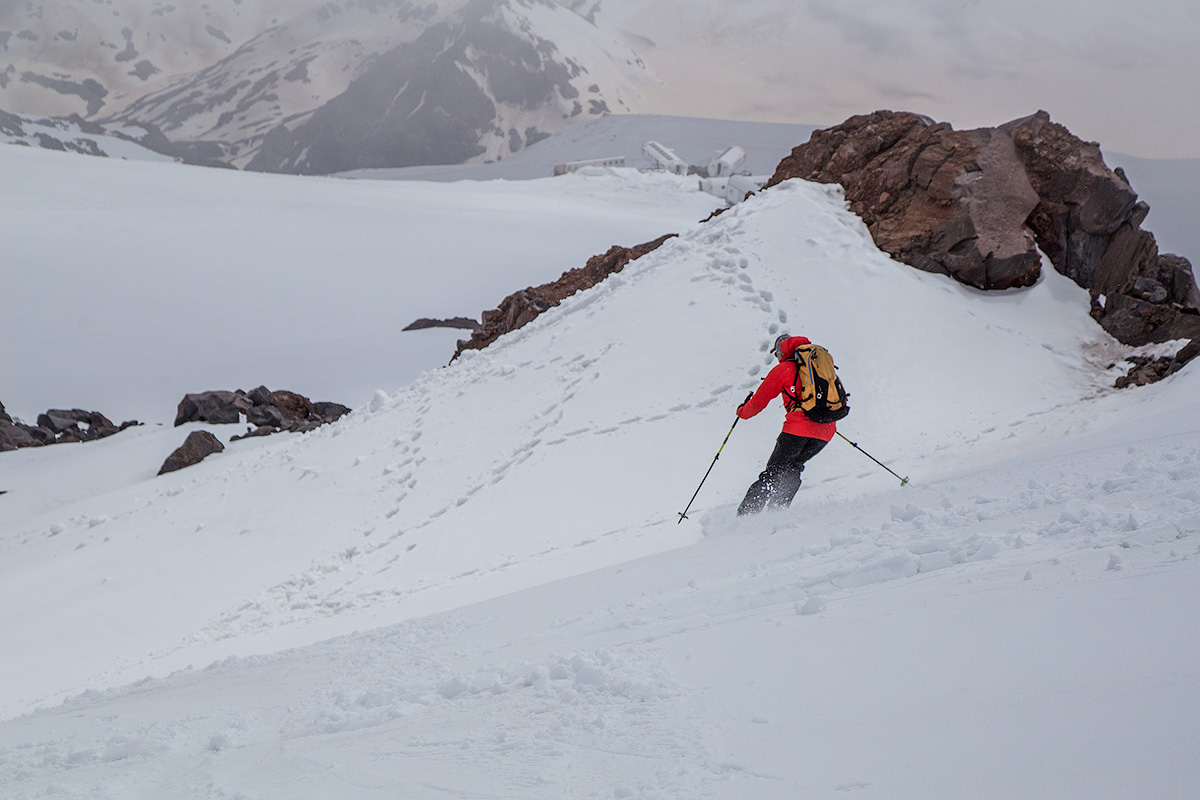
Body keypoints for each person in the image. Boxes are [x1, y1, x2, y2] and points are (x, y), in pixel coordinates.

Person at [736, 333, 836, 515]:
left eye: (776, 354)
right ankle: (777, 514)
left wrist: (741, 412)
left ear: (782, 350)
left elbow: (757, 403)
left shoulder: (784, 369)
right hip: (825, 431)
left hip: (798, 430)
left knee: (772, 473)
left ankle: (745, 518)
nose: (777, 358)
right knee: (793, 469)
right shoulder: (818, 364)